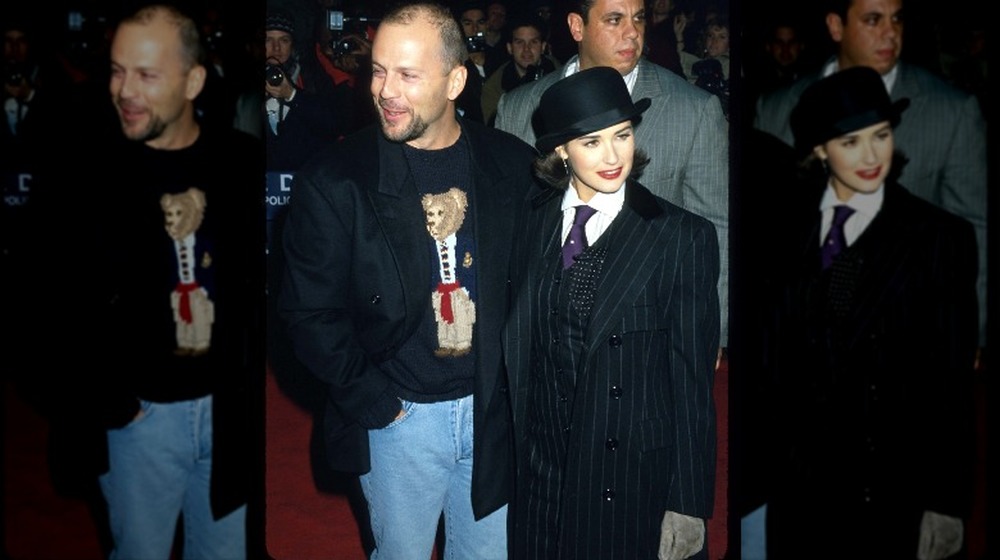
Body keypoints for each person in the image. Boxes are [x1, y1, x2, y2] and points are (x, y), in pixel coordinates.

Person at [277, 2, 536, 558]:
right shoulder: (336, 180)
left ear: (456, 81)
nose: (384, 90)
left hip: (494, 412)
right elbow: (307, 314)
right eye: (378, 69)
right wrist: (373, 400)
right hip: (401, 420)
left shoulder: (512, 165)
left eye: (408, 74)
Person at [25, 4, 262, 559]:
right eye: (116, 70)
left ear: (194, 80)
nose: (124, 90)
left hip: (229, 415)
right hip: (137, 421)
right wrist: (108, 402)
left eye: (147, 75)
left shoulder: (240, 163)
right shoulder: (81, 174)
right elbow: (37, 306)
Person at [757, 66, 977, 560]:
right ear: (819, 149)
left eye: (881, 135)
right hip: (799, 494)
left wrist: (946, 502)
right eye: (850, 142)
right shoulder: (780, 230)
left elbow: (951, 385)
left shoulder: (940, 238)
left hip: (893, 489)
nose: (872, 155)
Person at [504, 65, 718, 560]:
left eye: (621, 135)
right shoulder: (531, 221)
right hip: (541, 470)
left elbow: (691, 384)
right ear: (561, 150)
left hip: (624, 473)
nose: (613, 155)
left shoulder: (679, 237)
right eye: (591, 142)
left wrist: (686, 503)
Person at [754, 0, 988, 355]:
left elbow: (975, 231)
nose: (890, 33)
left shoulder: (953, 110)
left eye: (898, 18)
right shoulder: (774, 108)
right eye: (873, 19)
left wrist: (971, 337)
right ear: (836, 26)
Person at [494, 0, 729, 351]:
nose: (632, 32)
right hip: (544, 341)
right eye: (614, 20)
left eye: (638, 18)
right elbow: (506, 231)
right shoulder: (518, 109)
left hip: (647, 342)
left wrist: (711, 333)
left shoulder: (693, 110)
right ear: (577, 27)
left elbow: (717, 230)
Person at [479, 14, 559, 125]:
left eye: (533, 42)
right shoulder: (494, 88)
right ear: (510, 48)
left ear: (543, 47)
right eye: (519, 42)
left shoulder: (563, 77)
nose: (527, 49)